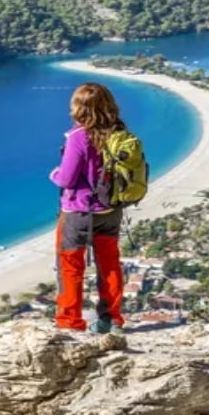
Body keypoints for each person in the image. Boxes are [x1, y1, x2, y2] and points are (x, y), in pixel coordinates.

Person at [48, 81, 126, 333]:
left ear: (78, 108)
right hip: (111, 210)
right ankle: (111, 319)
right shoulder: (120, 134)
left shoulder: (79, 138)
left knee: (70, 265)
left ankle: (70, 321)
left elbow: (67, 179)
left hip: (79, 213)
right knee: (110, 264)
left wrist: (54, 174)